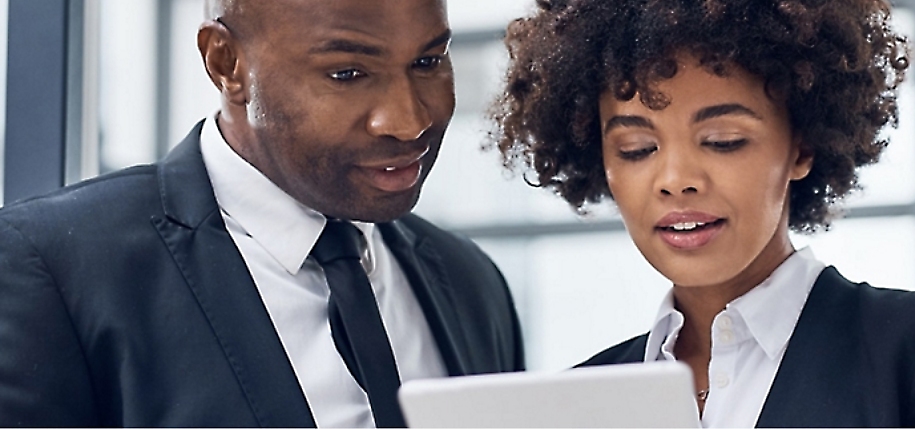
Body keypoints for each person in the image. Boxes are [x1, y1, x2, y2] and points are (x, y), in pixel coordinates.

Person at [0, 0, 523, 426]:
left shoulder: (470, 281)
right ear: (226, 63)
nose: (408, 122)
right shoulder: (54, 269)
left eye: (428, 62)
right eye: (348, 73)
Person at [491, 0, 915, 427]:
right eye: (637, 148)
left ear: (801, 147)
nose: (675, 179)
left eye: (722, 141)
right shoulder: (574, 403)